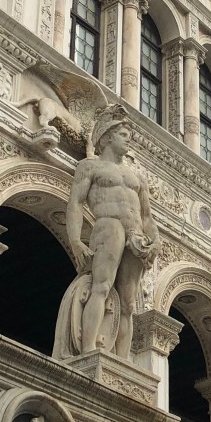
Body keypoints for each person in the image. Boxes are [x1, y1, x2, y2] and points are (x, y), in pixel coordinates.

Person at [62, 104, 159, 361]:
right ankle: (88, 349)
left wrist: (156, 241)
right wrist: (75, 241)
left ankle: (122, 360)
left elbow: (147, 216)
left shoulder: (136, 177)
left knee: (129, 304)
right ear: (107, 137)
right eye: (123, 135)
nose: (128, 140)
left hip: (136, 236)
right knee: (101, 287)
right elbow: (75, 203)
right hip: (108, 227)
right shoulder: (90, 167)